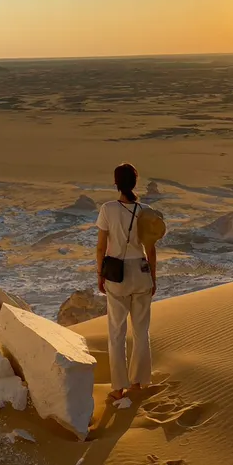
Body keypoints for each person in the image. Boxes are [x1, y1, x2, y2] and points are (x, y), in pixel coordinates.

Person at [95, 162, 157, 403]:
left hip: (117, 275)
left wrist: (100, 275)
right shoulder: (146, 211)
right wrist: (153, 277)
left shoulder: (108, 209)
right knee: (141, 331)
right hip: (141, 272)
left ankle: (118, 387)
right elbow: (151, 250)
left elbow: (101, 246)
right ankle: (139, 381)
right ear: (135, 183)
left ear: (116, 183)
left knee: (116, 333)